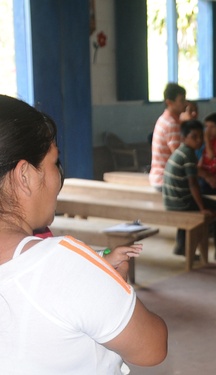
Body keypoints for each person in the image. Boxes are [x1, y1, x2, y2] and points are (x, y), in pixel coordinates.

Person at [0, 95, 167, 373]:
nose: (58, 177)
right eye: (55, 162)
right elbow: (153, 346)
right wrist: (111, 287)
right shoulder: (61, 262)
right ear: (25, 176)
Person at [163, 119, 216, 261]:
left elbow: (195, 171)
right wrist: (202, 207)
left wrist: (208, 176)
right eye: (194, 137)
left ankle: (181, 246)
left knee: (203, 202)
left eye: (200, 136)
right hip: (182, 203)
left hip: (170, 201)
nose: (199, 140)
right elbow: (193, 184)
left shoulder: (181, 151)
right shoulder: (189, 155)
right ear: (184, 137)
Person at [149, 82, 187, 189]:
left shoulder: (164, 119)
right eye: (181, 101)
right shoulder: (172, 124)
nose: (185, 104)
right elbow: (180, 158)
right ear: (169, 102)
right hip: (166, 180)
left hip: (158, 178)